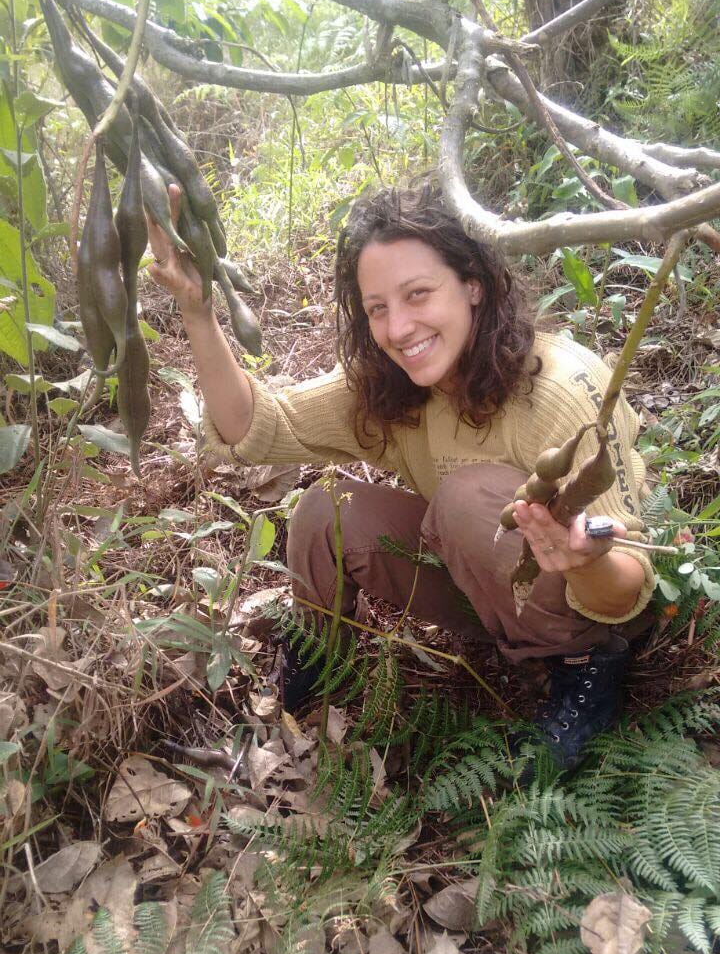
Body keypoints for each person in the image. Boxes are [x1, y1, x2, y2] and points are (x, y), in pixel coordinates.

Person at [148, 182, 653, 770]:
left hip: (591, 604)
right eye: (378, 308)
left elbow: (629, 587)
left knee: (465, 499)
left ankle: (583, 667)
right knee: (326, 503)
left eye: (418, 294)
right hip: (488, 587)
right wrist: (198, 311)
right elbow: (254, 427)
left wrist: (586, 562)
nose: (398, 327)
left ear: (473, 284)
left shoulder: (561, 390)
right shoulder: (387, 388)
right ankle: (316, 658)